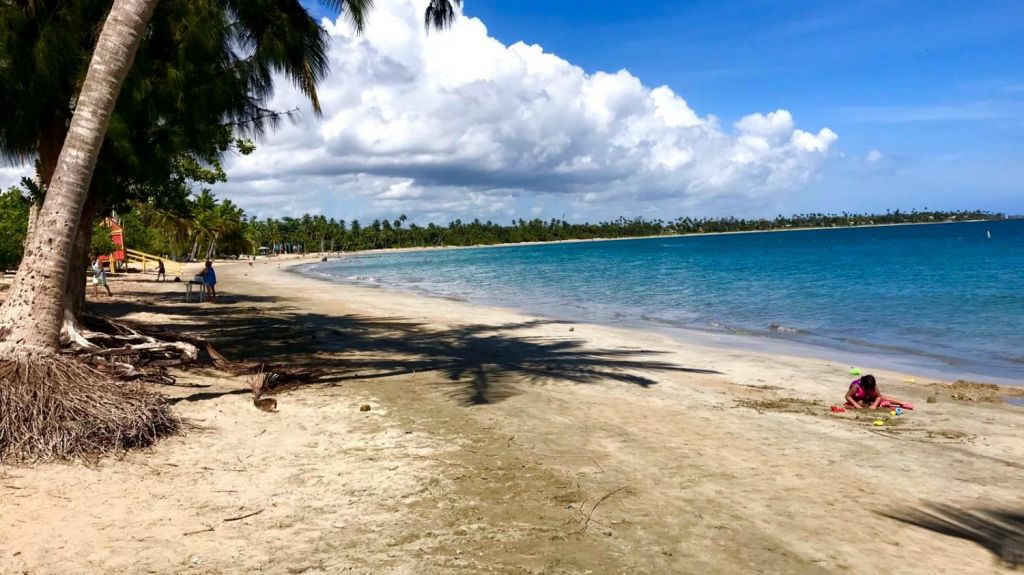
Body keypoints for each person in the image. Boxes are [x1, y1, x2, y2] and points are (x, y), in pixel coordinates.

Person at [845, 375, 912, 410]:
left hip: (868, 398)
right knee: (859, 403)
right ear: (863, 386)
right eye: (868, 389)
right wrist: (854, 404)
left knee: (882, 398)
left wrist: (874, 405)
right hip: (858, 398)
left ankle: (902, 403)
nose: (870, 389)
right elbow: (847, 396)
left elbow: (879, 396)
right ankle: (882, 404)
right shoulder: (856, 386)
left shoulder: (873, 386)